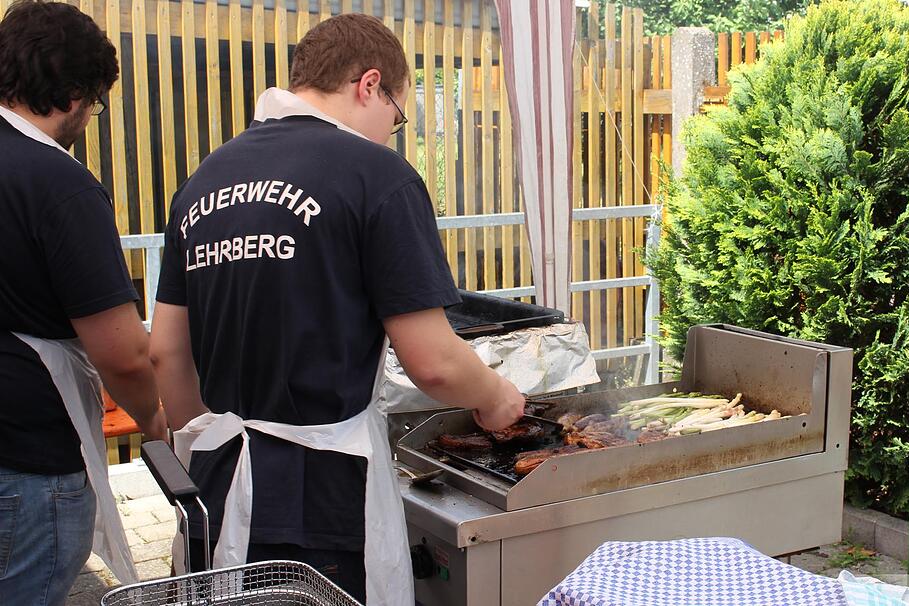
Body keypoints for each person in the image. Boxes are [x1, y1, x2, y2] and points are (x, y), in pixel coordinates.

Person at [149, 13, 524, 604]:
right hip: (324, 491)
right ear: (369, 85)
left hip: (218, 477)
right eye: (396, 119)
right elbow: (434, 364)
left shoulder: (202, 181)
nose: (389, 134)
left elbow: (166, 352)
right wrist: (498, 397)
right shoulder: (377, 175)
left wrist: (217, 439)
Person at [0, 1, 168, 603]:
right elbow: (122, 353)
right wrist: (154, 419)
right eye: (95, 104)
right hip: (27, 455)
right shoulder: (59, 184)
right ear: (74, 93)